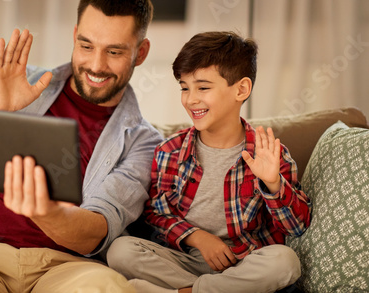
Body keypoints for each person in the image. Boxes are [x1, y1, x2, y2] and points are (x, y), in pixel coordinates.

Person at [0, 0, 163, 293]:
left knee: (109, 287)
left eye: (114, 51)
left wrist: (42, 209)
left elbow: (96, 232)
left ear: (141, 52)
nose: (96, 65)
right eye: (86, 46)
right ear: (74, 36)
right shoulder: (16, 82)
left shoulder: (144, 141)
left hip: (66, 269)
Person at [107, 31, 312, 293]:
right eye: (184, 87)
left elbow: (297, 226)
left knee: (285, 262)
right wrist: (198, 238)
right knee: (120, 251)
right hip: (183, 260)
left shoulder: (270, 153)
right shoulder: (169, 151)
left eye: (203, 87)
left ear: (241, 89)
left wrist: (273, 184)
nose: (191, 99)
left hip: (244, 263)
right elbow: (156, 214)